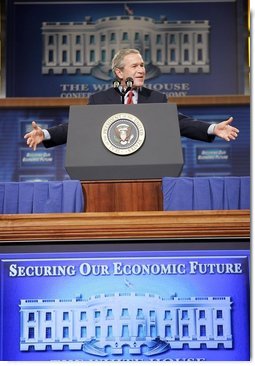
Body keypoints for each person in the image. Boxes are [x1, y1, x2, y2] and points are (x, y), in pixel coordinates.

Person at [24, 48, 239, 150]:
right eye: (135, 66)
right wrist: (45, 133)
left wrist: (213, 128)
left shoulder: (156, 99)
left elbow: (181, 123)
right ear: (119, 73)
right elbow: (77, 128)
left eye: (142, 65)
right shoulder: (100, 100)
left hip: (150, 170)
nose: (141, 70)